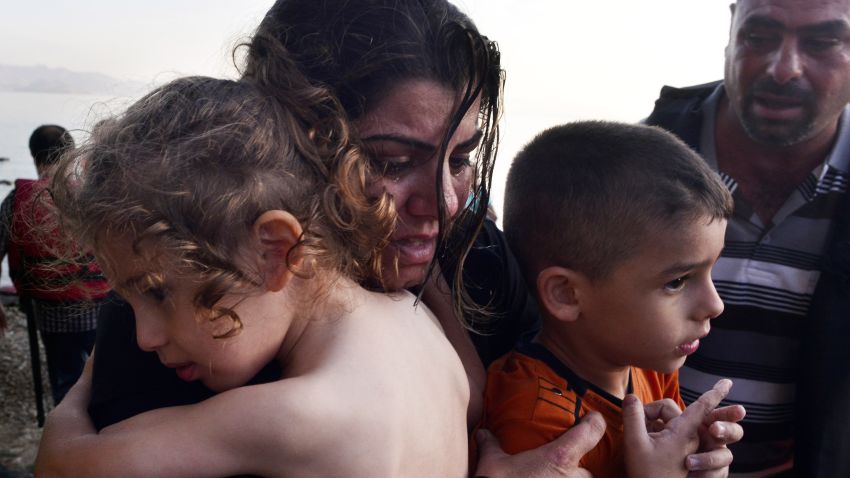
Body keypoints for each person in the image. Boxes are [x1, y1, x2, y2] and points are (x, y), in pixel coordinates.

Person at [57, 1, 741, 476]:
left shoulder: (477, 270)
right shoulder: (177, 311)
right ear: (291, 145)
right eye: (389, 162)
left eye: (462, 155)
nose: (443, 205)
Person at [36, 75, 471, 477]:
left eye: (158, 292)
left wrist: (82, 387)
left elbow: (64, 464)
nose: (144, 338)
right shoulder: (415, 319)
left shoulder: (297, 417)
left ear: (275, 251)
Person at [644, 0, 850, 475]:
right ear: (731, 27)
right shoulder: (627, 173)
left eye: (821, 42)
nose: (783, 68)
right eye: (760, 36)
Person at [480, 121, 744, 477]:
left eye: (710, 270)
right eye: (677, 281)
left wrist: (694, 463)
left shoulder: (647, 362)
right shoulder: (536, 424)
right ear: (566, 294)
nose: (715, 305)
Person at [0, 124, 110, 404]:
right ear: (71, 155)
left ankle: (68, 435)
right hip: (103, 310)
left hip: (51, 314)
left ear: (35, 157)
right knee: (107, 378)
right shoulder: (94, 198)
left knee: (66, 382)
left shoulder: (16, 202)